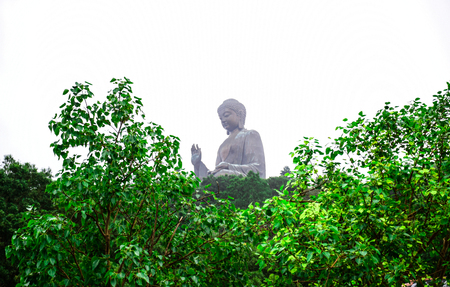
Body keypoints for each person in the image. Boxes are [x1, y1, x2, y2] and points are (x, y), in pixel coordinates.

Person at [191, 99, 266, 179]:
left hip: (243, 180)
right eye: (220, 118)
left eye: (226, 115)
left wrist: (229, 167)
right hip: (223, 177)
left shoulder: (251, 135)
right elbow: (215, 172)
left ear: (239, 114)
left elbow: (258, 169)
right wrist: (198, 164)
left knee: (222, 174)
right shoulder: (222, 145)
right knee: (195, 181)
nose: (223, 120)